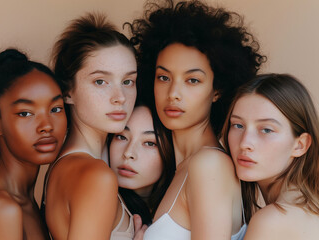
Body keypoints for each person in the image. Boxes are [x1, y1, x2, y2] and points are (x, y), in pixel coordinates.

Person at [127, 0, 266, 239]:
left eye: (192, 80)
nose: (173, 94)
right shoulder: (184, 167)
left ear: (217, 90)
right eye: (163, 77)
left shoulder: (209, 165)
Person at [41, 13, 139, 239]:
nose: (120, 97)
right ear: (68, 92)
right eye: (100, 81)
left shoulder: (65, 168)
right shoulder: (95, 176)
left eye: (128, 81)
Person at [0, 49, 67, 240]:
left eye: (56, 109)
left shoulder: (25, 199)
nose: (47, 126)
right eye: (25, 113)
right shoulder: (0, 207)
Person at [222, 73, 319, 239]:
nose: (245, 142)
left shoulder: (273, 221)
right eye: (238, 125)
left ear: (300, 145)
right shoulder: (306, 208)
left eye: (266, 130)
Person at [109, 103, 175, 226]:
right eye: (121, 137)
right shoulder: (102, 204)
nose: (128, 153)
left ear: (170, 152)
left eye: (149, 143)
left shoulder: (178, 209)